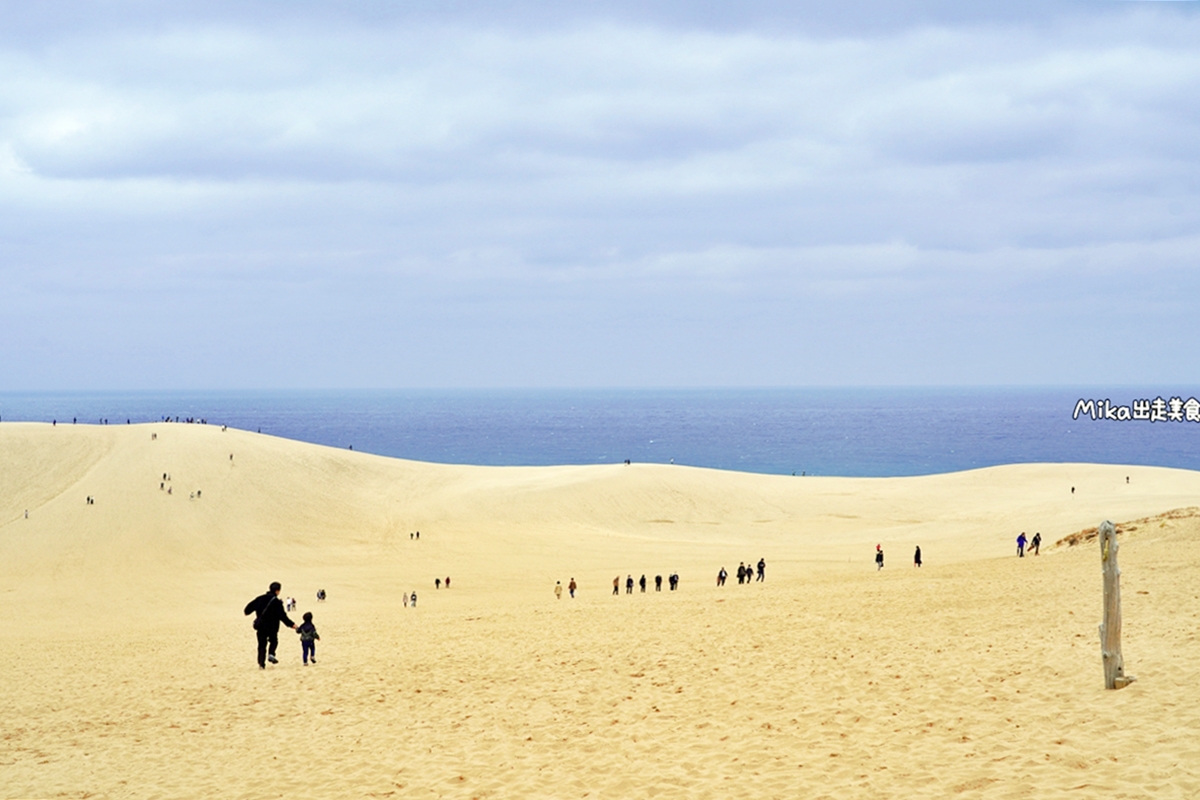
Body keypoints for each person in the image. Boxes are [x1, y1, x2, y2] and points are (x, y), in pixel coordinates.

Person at [244, 582, 297, 669]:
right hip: (272, 627)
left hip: (261, 627)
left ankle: (261, 664)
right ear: (277, 591)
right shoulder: (277, 602)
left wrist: (251, 612)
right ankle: (271, 654)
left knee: (261, 645)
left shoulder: (260, 599)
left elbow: (247, 610)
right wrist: (292, 625)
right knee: (274, 641)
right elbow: (283, 616)